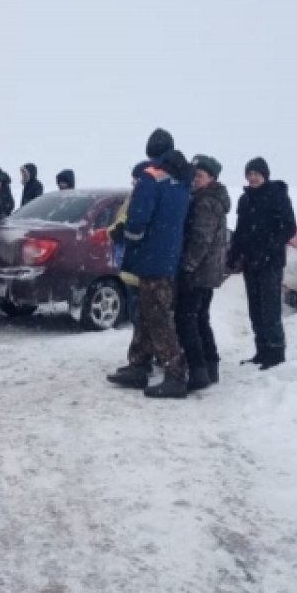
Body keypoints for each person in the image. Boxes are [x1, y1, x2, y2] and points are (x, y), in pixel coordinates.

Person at [107, 128, 192, 399]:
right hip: (168, 256)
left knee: (156, 317)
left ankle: (175, 375)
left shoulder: (150, 177)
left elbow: (139, 219)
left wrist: (127, 236)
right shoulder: (182, 178)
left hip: (150, 256)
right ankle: (138, 365)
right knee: (146, 314)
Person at [227, 157, 297, 370]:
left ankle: (276, 352)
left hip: (270, 262)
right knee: (255, 309)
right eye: (249, 174)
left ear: (265, 175)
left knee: (270, 308)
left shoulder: (277, 196)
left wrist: (269, 246)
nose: (253, 178)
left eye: (256, 173)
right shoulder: (244, 200)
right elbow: (240, 230)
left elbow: (289, 227)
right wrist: (234, 253)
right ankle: (261, 350)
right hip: (250, 262)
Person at [174, 155, 231, 389]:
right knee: (200, 318)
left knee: (186, 320)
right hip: (207, 271)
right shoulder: (209, 198)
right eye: (194, 175)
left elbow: (201, 239)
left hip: (199, 272)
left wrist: (187, 266)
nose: (195, 179)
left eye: (200, 176)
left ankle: (198, 370)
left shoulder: (205, 202)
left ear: (212, 178)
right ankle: (210, 366)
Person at [109, 161, 149, 328]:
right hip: (127, 261)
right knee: (136, 311)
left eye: (136, 178)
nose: (133, 182)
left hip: (136, 264)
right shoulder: (134, 196)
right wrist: (114, 230)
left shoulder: (143, 198)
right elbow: (122, 219)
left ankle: (145, 350)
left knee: (140, 313)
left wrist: (121, 231)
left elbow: (135, 225)